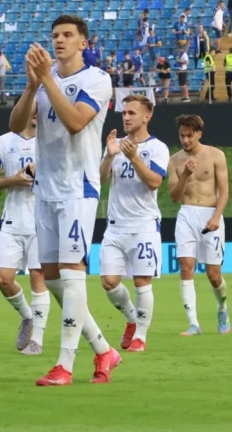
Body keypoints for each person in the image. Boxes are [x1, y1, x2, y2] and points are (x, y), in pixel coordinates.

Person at [9, 14, 120, 386]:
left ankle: (65, 365)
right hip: (46, 188)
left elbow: (75, 122)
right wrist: (30, 88)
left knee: (72, 274)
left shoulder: (97, 79)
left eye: (67, 35)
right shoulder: (43, 82)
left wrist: (47, 80)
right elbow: (15, 126)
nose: (59, 40)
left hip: (78, 186)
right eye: (55, 35)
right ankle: (104, 350)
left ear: (82, 43)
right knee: (55, 280)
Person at [98, 95, 168, 353]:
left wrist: (135, 157)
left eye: (132, 113)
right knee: (109, 281)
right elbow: (101, 180)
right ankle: (131, 318)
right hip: (115, 225)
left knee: (142, 281)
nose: (126, 117)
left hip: (144, 225)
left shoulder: (158, 147)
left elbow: (154, 182)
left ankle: (140, 336)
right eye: (124, 113)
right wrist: (109, 156)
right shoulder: (114, 144)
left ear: (146, 116)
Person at [0, 108, 48, 355]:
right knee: (3, 278)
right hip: (12, 221)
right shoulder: (4, 141)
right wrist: (16, 179)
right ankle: (27, 316)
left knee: (37, 276)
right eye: (29, 108)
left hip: (41, 221)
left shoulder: (50, 142)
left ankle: (37, 340)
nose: (34, 112)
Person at [166, 114, 230, 335]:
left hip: (211, 214)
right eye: (182, 135)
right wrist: (185, 174)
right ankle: (194, 323)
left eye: (189, 136)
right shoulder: (174, 160)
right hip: (186, 214)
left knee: (213, 274)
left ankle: (222, 306)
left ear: (199, 134)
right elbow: (174, 196)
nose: (185, 140)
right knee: (186, 266)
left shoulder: (216, 155)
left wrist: (216, 216)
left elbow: (224, 191)